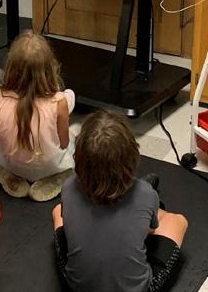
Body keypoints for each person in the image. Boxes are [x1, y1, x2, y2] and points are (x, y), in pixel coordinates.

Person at [52, 111, 187, 292]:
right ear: (132, 156)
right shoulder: (145, 194)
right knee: (177, 220)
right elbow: (151, 230)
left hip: (77, 286)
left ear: (79, 157)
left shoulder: (68, 187)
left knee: (58, 211)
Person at [0, 32, 75, 202]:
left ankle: (8, 175)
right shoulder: (59, 103)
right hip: (49, 167)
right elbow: (64, 143)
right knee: (70, 98)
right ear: (48, 69)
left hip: (10, 163)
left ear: (10, 68)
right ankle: (54, 179)